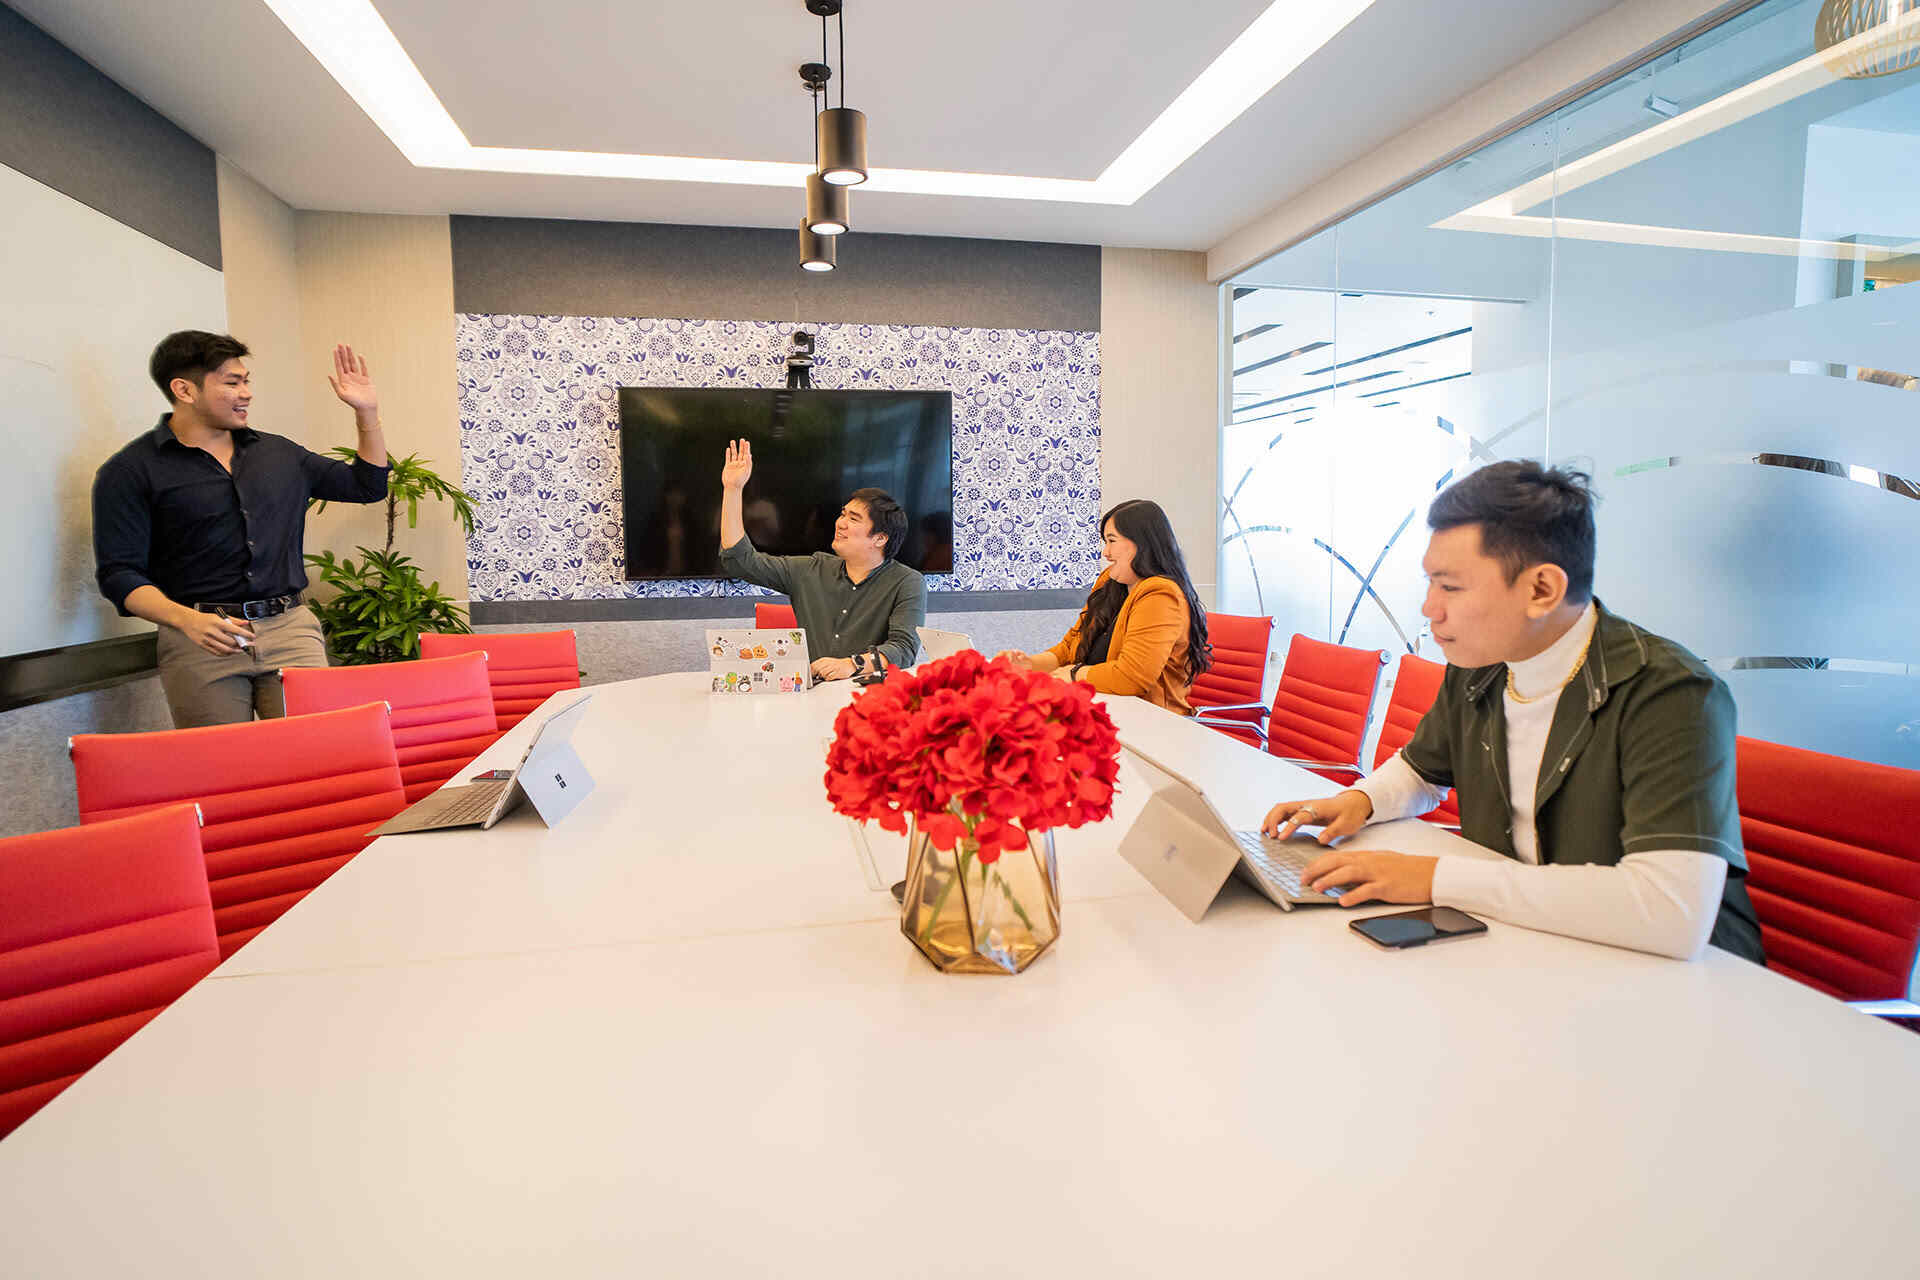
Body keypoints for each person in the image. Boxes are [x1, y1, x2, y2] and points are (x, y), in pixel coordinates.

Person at [1260, 461, 1764, 964]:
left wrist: (1435, 878)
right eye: (1430, 584)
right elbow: (1423, 769)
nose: (1429, 609)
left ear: (1541, 590)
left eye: (1450, 587)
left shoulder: (1670, 693)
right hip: (1528, 945)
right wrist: (1362, 800)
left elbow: (1669, 912)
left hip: (1666, 979)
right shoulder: (1483, 662)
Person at [92, 332, 391, 728]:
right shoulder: (129, 471)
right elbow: (119, 574)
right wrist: (185, 620)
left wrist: (366, 414)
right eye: (231, 382)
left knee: (316, 756)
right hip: (199, 639)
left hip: (291, 630)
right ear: (184, 389)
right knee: (222, 770)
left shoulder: (280, 454)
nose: (246, 392)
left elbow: (367, 486)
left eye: (246, 380)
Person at [717, 438, 924, 682]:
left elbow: (904, 648)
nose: (840, 523)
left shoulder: (907, 582)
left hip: (866, 697)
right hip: (810, 695)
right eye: (843, 514)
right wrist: (732, 489)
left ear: (879, 539)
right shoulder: (811, 569)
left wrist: (853, 664)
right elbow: (740, 560)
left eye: (854, 518)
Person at [999, 499, 1211, 714]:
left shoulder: (1160, 595)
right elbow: (1069, 649)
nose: (1105, 552)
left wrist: (1075, 674)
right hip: (1098, 706)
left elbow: (1131, 678)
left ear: (1142, 543)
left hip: (1150, 721)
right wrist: (1028, 664)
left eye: (1112, 541)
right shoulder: (1109, 583)